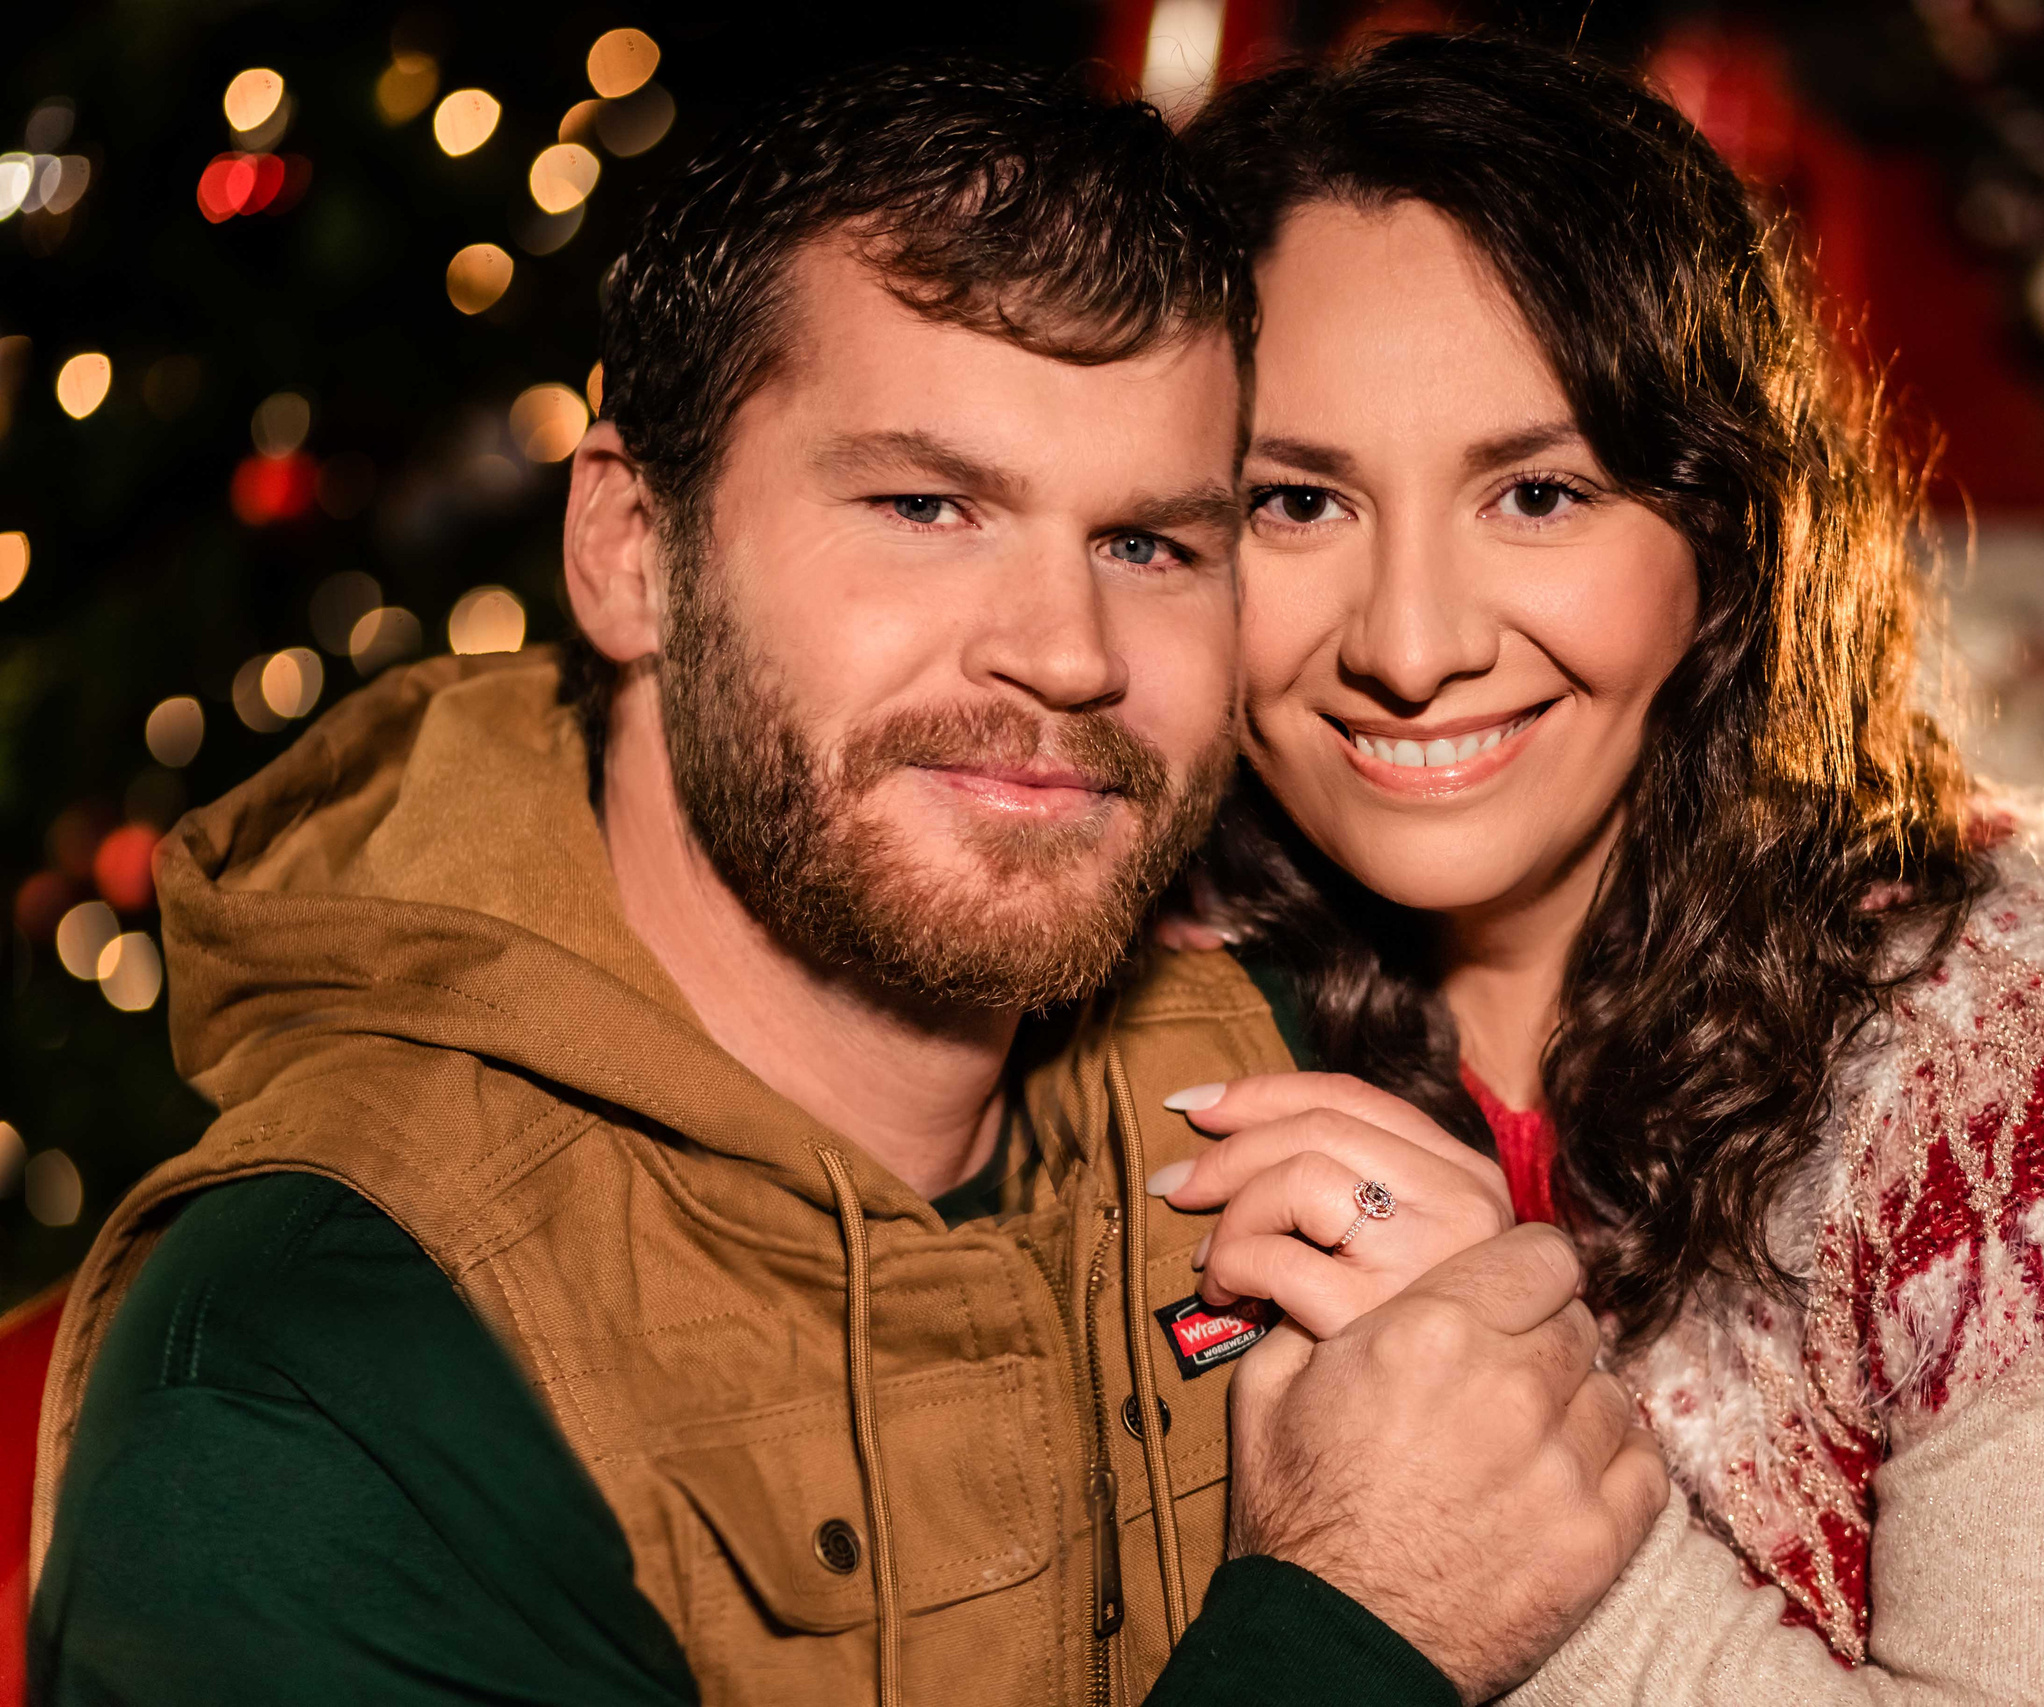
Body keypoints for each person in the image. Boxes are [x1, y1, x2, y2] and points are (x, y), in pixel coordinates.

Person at [23, 58, 1665, 1707]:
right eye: (927, 505)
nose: (1067, 654)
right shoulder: (319, 1377)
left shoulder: (1293, 1064)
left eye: (1149, 543)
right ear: (629, 550)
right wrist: (1354, 1626)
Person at [1145, 34, 2044, 1703]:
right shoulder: (1142, 992)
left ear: (1724, 528)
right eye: (1297, 504)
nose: (1411, 646)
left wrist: (1547, 1551)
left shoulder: (2036, 1051)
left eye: (1538, 494)